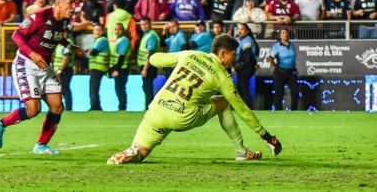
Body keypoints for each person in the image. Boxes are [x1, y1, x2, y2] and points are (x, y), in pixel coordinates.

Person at [106, 34, 282, 165]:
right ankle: (241, 151)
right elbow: (243, 110)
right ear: (222, 54)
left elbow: (154, 59)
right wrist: (267, 137)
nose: (234, 57)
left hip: (157, 110)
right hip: (183, 116)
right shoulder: (222, 76)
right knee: (223, 102)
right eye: (233, 54)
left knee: (142, 152)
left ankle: (131, 153)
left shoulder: (190, 55)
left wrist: (154, 56)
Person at [0, 0, 83, 155]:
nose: (73, 7)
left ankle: (41, 145)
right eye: (70, 3)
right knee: (33, 109)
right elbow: (17, 35)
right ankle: (0, 124)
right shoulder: (39, 17)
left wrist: (70, 46)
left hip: (44, 67)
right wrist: (33, 54)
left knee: (57, 106)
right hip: (26, 64)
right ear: (58, 4)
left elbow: (56, 36)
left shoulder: (63, 22)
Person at [268, 28, 299, 111]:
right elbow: (270, 58)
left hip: (292, 72)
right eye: (283, 33)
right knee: (279, 93)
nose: (285, 34)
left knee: (295, 92)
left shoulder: (292, 45)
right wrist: (276, 66)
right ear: (280, 35)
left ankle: (294, 111)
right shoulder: (277, 46)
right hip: (280, 72)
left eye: (286, 33)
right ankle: (278, 111)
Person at [234, 23, 259, 108]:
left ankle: (248, 108)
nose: (240, 31)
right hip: (245, 67)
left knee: (244, 89)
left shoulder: (247, 40)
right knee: (241, 89)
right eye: (239, 29)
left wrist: (239, 65)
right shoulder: (243, 40)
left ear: (247, 31)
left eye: (242, 29)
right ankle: (243, 109)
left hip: (246, 67)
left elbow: (247, 54)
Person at [138, 17, 161, 107]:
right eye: (142, 24)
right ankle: (148, 106)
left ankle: (149, 107)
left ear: (150, 24)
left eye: (145, 24)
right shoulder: (146, 35)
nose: (143, 26)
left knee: (147, 87)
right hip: (145, 65)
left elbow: (150, 53)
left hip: (149, 65)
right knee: (146, 87)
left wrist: (145, 68)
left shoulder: (151, 36)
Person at [109, 22, 131, 111]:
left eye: (119, 29)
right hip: (116, 67)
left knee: (120, 88)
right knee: (118, 88)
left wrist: (117, 70)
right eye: (115, 29)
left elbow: (121, 56)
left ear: (122, 30)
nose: (117, 31)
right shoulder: (115, 39)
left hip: (122, 68)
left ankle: (122, 107)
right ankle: (121, 106)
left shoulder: (124, 40)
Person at [88, 24, 109, 111]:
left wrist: (88, 52)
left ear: (103, 31)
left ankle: (94, 107)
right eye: (96, 30)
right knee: (94, 88)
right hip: (95, 67)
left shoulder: (102, 40)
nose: (97, 32)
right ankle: (97, 106)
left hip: (98, 67)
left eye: (99, 30)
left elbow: (93, 52)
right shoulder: (96, 40)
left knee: (93, 88)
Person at [53, 44, 74, 112]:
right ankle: (63, 108)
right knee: (61, 89)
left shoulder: (67, 44)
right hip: (59, 70)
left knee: (65, 89)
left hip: (65, 70)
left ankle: (68, 108)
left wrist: (60, 71)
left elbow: (67, 57)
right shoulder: (59, 45)